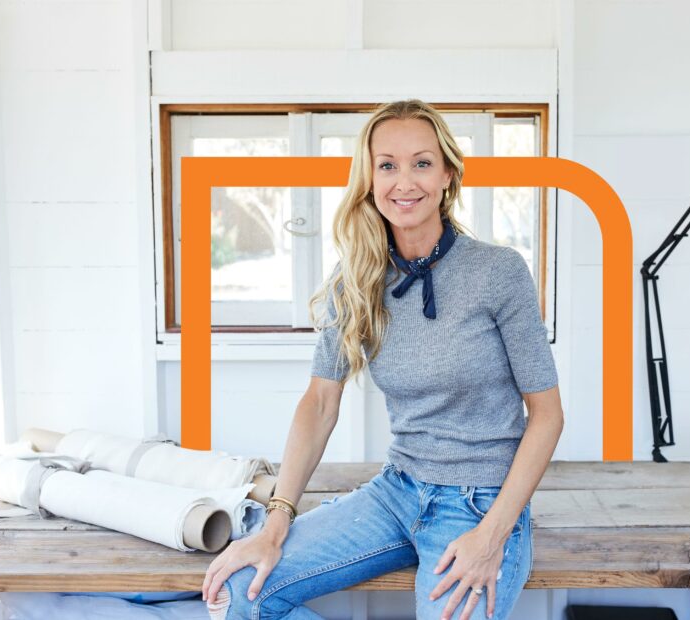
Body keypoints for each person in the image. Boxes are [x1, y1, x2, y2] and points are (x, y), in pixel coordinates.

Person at [201, 99, 563, 620]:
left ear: (446, 174)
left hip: (480, 502)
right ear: (369, 179)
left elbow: (547, 413)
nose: (404, 181)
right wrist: (277, 518)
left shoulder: (498, 271)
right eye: (387, 165)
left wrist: (493, 534)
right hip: (397, 491)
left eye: (421, 162)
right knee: (238, 595)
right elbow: (320, 402)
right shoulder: (357, 277)